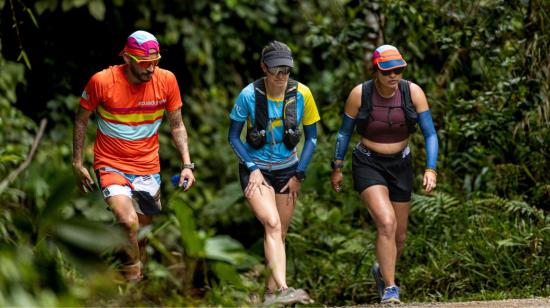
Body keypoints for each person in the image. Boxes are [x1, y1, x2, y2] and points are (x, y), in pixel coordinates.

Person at [72, 30, 195, 282]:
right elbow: (81, 120)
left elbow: (177, 125)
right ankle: (133, 279)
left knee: (141, 235)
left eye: (155, 62)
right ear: (127, 59)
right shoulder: (102, 82)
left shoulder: (167, 81)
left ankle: (133, 284)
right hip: (111, 165)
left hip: (148, 167)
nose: (151, 68)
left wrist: (187, 164)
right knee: (128, 222)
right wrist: (77, 162)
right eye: (145, 62)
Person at [330, 45, 438, 303]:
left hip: (401, 164)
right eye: (387, 71)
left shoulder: (413, 93)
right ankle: (390, 288)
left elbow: (430, 133)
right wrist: (337, 166)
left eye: (398, 70)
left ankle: (381, 271)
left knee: (399, 236)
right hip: (368, 162)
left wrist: (430, 168)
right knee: (386, 222)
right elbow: (344, 132)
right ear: (375, 70)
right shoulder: (360, 94)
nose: (393, 76)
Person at [228, 41, 319, 305]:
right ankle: (283, 289)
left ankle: (268, 294)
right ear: (264, 68)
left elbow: (312, 139)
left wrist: (299, 174)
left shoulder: (302, 94)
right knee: (272, 223)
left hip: (288, 171)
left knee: (279, 234)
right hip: (255, 170)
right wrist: (252, 168)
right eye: (276, 70)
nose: (281, 76)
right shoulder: (248, 95)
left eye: (286, 71)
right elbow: (233, 136)